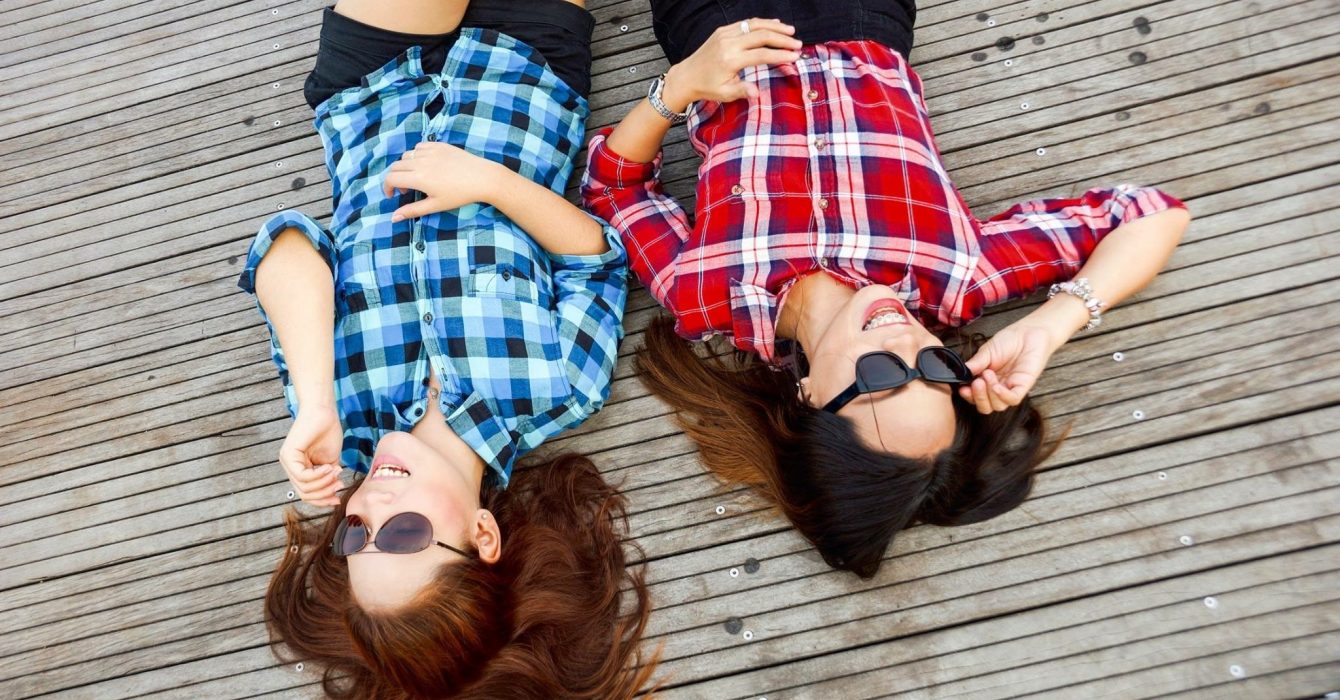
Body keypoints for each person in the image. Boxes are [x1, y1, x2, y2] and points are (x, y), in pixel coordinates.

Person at [582, 0, 1191, 579]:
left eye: (880, 378)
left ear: (809, 396)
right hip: (863, 16)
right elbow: (1153, 215)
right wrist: (1049, 323)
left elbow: (614, 187)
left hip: (716, 25)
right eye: (934, 367)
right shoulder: (955, 276)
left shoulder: (706, 295)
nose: (905, 342)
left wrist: (681, 87)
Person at [237, 0, 654, 696]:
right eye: (401, 535)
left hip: (370, 89)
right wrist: (490, 184)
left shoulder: (337, 415)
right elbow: (595, 260)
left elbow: (285, 246)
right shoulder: (557, 391)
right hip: (527, 74)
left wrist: (313, 401)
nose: (371, 507)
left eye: (353, 537)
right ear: (484, 537)